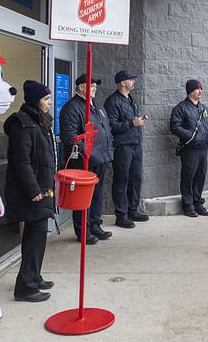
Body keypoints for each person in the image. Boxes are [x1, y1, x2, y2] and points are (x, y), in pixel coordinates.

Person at [3, 81, 56, 302]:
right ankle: (26, 287)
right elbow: (21, 161)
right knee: (35, 236)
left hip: (42, 188)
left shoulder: (38, 121)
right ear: (35, 100)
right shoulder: (22, 124)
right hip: (32, 192)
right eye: (45, 99)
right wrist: (34, 190)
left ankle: (33, 276)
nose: (49, 103)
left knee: (36, 236)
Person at [59, 74, 114, 243]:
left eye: (96, 86)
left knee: (97, 194)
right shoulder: (72, 107)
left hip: (100, 159)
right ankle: (83, 232)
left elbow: (105, 128)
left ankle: (95, 225)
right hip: (84, 160)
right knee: (83, 197)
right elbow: (70, 136)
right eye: (91, 86)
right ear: (81, 87)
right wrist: (89, 153)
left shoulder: (96, 105)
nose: (95, 89)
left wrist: (107, 152)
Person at [104, 70, 147, 229]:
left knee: (135, 178)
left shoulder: (130, 99)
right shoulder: (112, 102)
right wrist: (131, 123)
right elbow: (111, 126)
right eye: (131, 79)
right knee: (121, 180)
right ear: (123, 82)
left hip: (135, 144)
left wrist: (136, 123)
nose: (134, 81)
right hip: (123, 147)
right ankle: (121, 215)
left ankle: (132, 210)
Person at [170, 79, 208, 217]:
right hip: (190, 149)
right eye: (197, 89)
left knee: (200, 177)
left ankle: (198, 203)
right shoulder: (181, 108)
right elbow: (175, 127)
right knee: (188, 177)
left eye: (201, 89)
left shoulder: (204, 108)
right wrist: (191, 136)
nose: (200, 91)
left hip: (203, 149)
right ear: (190, 91)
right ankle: (188, 205)